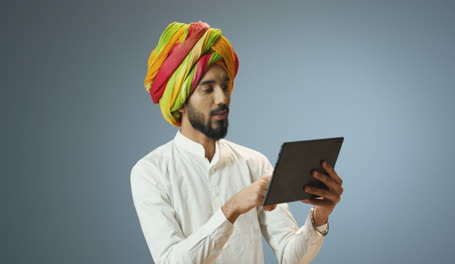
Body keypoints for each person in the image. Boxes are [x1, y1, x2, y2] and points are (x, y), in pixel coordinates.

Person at [130, 21, 344, 264]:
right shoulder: (149, 172)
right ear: (179, 100)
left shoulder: (254, 163)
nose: (222, 98)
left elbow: (290, 256)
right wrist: (231, 209)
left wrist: (319, 217)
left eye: (225, 86)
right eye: (207, 89)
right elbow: (170, 260)